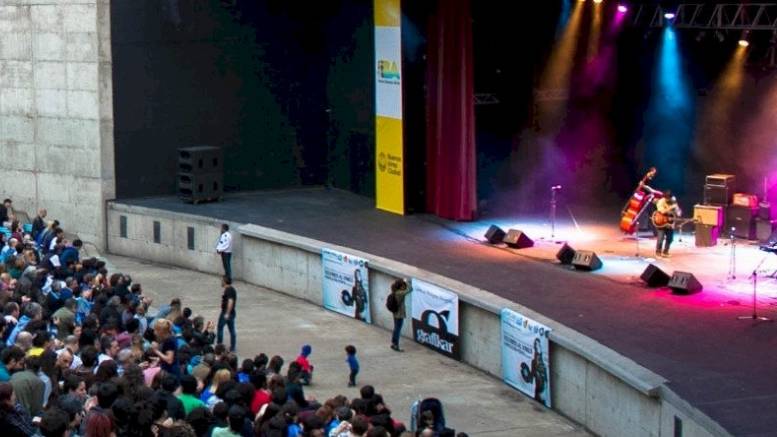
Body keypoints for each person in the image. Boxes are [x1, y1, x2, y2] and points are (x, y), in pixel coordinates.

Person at [654, 189, 682, 258]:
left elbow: (678, 212)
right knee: (660, 239)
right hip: (661, 222)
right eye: (667, 199)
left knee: (670, 238)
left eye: (669, 198)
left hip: (670, 223)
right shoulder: (661, 202)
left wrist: (678, 211)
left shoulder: (673, 201)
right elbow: (662, 211)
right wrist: (670, 207)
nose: (669, 200)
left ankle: (665, 252)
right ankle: (658, 252)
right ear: (665, 197)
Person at [389, 279, 412, 352]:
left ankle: (393, 343)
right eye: (403, 286)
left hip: (395, 313)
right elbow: (410, 289)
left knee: (396, 328)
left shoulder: (395, 291)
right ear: (400, 287)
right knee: (398, 330)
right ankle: (396, 345)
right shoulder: (400, 293)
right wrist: (406, 282)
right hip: (399, 314)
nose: (404, 287)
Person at [217, 276, 237, 353]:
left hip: (226, 313)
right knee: (232, 329)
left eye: (222, 280)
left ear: (225, 281)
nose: (221, 282)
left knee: (220, 328)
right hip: (230, 313)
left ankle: (219, 346)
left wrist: (227, 313)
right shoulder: (230, 289)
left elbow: (230, 301)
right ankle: (232, 347)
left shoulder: (229, 290)